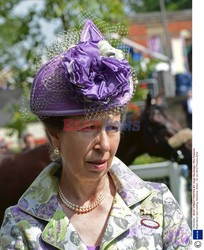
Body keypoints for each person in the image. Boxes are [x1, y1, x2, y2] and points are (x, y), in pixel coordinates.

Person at [0, 20, 191, 249]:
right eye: (88, 128)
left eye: (112, 128)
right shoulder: (22, 227)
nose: (104, 145)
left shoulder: (159, 207)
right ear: (55, 137)